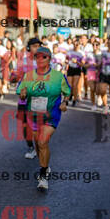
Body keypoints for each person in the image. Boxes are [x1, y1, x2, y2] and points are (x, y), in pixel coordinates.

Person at [17, 47, 70, 191]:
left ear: (49, 59)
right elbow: (21, 92)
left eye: (44, 57)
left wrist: (65, 102)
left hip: (51, 115)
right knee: (38, 144)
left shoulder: (58, 76)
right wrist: (22, 94)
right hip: (33, 115)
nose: (40, 59)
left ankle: (43, 176)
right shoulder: (28, 76)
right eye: (38, 57)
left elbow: (67, 92)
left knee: (42, 141)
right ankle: (45, 166)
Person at [17, 37, 42, 159]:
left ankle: (39, 148)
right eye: (34, 46)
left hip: (38, 98)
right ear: (28, 48)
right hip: (24, 99)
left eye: (39, 46)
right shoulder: (23, 61)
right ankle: (31, 146)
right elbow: (18, 77)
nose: (37, 48)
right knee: (25, 125)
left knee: (37, 126)